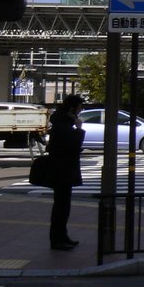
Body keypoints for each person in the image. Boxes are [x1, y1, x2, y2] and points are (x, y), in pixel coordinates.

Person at [46, 94, 85, 251]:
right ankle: (57, 239)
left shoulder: (61, 122)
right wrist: (79, 129)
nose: (81, 110)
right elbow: (72, 144)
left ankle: (62, 236)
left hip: (61, 169)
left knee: (63, 206)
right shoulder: (63, 124)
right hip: (61, 170)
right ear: (72, 109)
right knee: (61, 207)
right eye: (79, 107)